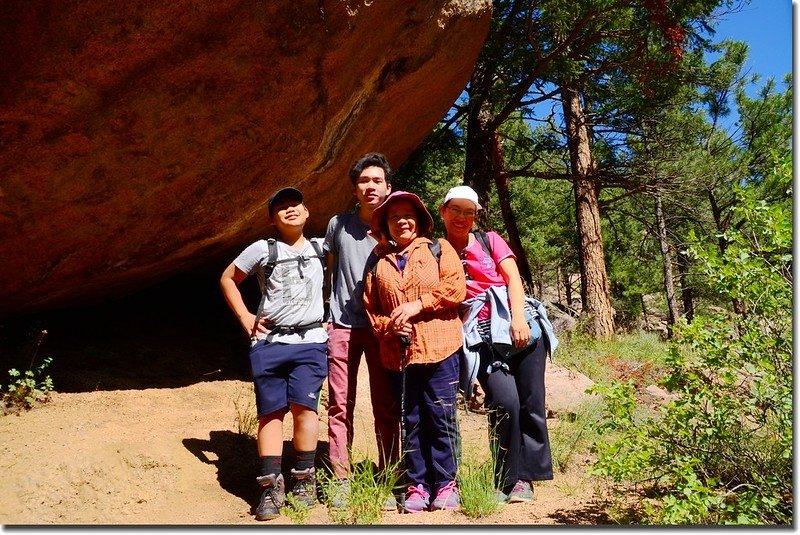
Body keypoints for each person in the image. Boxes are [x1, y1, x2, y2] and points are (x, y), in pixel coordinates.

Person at [439, 185, 558, 504]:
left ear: (476, 215)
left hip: (522, 332)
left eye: (469, 211)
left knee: (532, 404)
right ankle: (505, 476)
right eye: (456, 210)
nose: (462, 217)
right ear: (443, 212)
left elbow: (513, 279)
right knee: (505, 402)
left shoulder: (490, 241)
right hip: (482, 337)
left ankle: (522, 480)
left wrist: (518, 318)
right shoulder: (437, 250)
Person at [219, 187, 328, 521]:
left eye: (295, 205)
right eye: (281, 208)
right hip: (270, 343)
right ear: (271, 219)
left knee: (305, 409)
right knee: (270, 412)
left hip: (311, 340)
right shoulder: (262, 249)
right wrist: (245, 317)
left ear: (308, 212)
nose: (290, 210)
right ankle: (269, 486)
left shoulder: (322, 248)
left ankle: (303, 481)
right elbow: (228, 278)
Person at [363, 191, 466, 513]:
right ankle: (417, 484)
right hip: (399, 355)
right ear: (386, 225)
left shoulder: (440, 248)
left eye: (408, 215)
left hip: (441, 346)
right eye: (394, 218)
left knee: (441, 417)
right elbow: (372, 309)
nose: (402, 221)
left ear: (420, 220)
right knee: (411, 419)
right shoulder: (379, 262)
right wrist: (390, 327)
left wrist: (417, 305)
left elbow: (455, 287)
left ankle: (447, 484)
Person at [322, 152, 399, 508]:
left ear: (388, 186)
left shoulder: (397, 228)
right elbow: (329, 271)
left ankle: (391, 472)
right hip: (341, 325)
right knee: (340, 404)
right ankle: (340, 476)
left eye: (376, 181)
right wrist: (324, 312)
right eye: (363, 181)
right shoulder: (338, 225)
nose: (370, 187)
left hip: (382, 328)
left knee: (385, 403)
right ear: (355, 189)